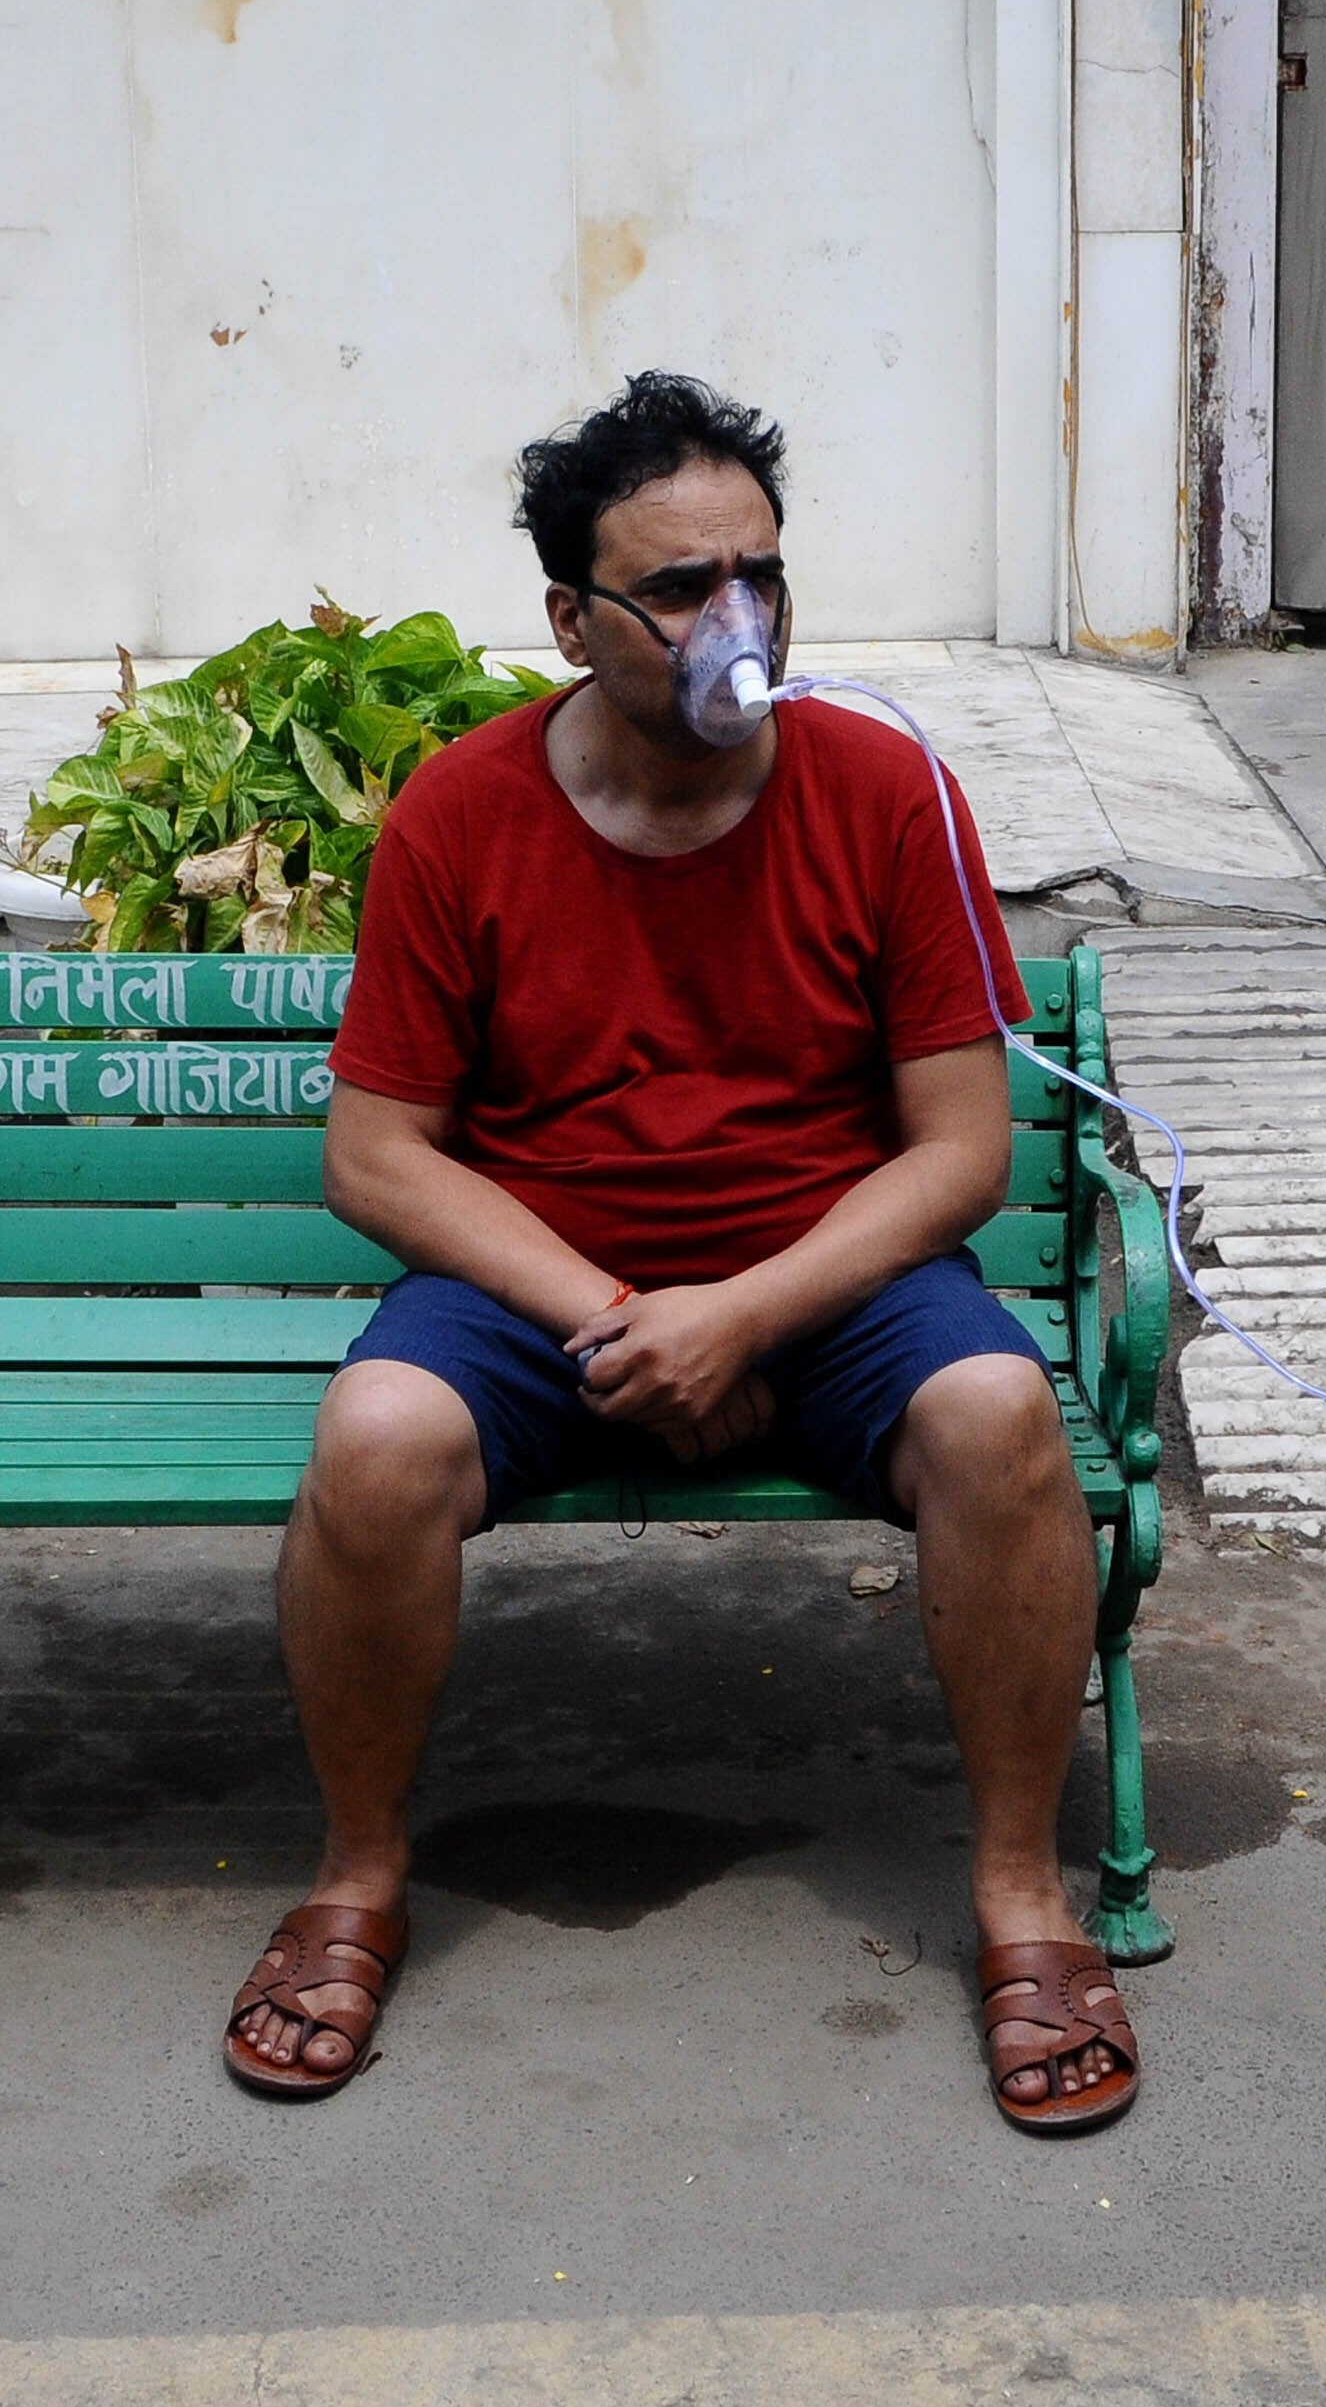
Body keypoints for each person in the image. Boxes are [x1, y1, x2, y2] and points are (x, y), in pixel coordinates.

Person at [221, 371, 1139, 2135]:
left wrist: (747, 1316)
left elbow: (959, 1149)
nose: (738, 622)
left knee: (1004, 1421)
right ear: (570, 620)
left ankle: (1027, 1901)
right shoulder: (460, 816)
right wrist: (620, 1319)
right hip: (548, 1293)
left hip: (831, 1284)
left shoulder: (889, 796)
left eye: (764, 576)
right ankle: (353, 1880)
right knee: (375, 1444)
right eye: (681, 591)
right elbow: (377, 1156)